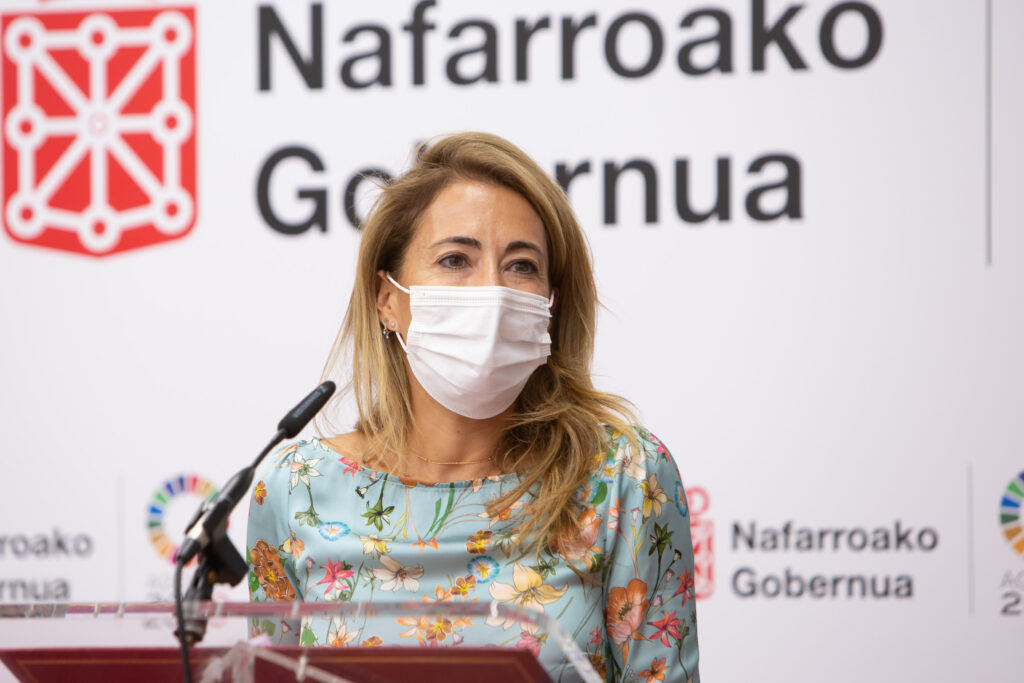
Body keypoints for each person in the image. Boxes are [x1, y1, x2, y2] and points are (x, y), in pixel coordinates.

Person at [247, 132, 700, 682]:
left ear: (551, 305)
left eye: (522, 266)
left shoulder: (623, 475)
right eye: (455, 259)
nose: (492, 291)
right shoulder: (297, 488)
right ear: (387, 299)